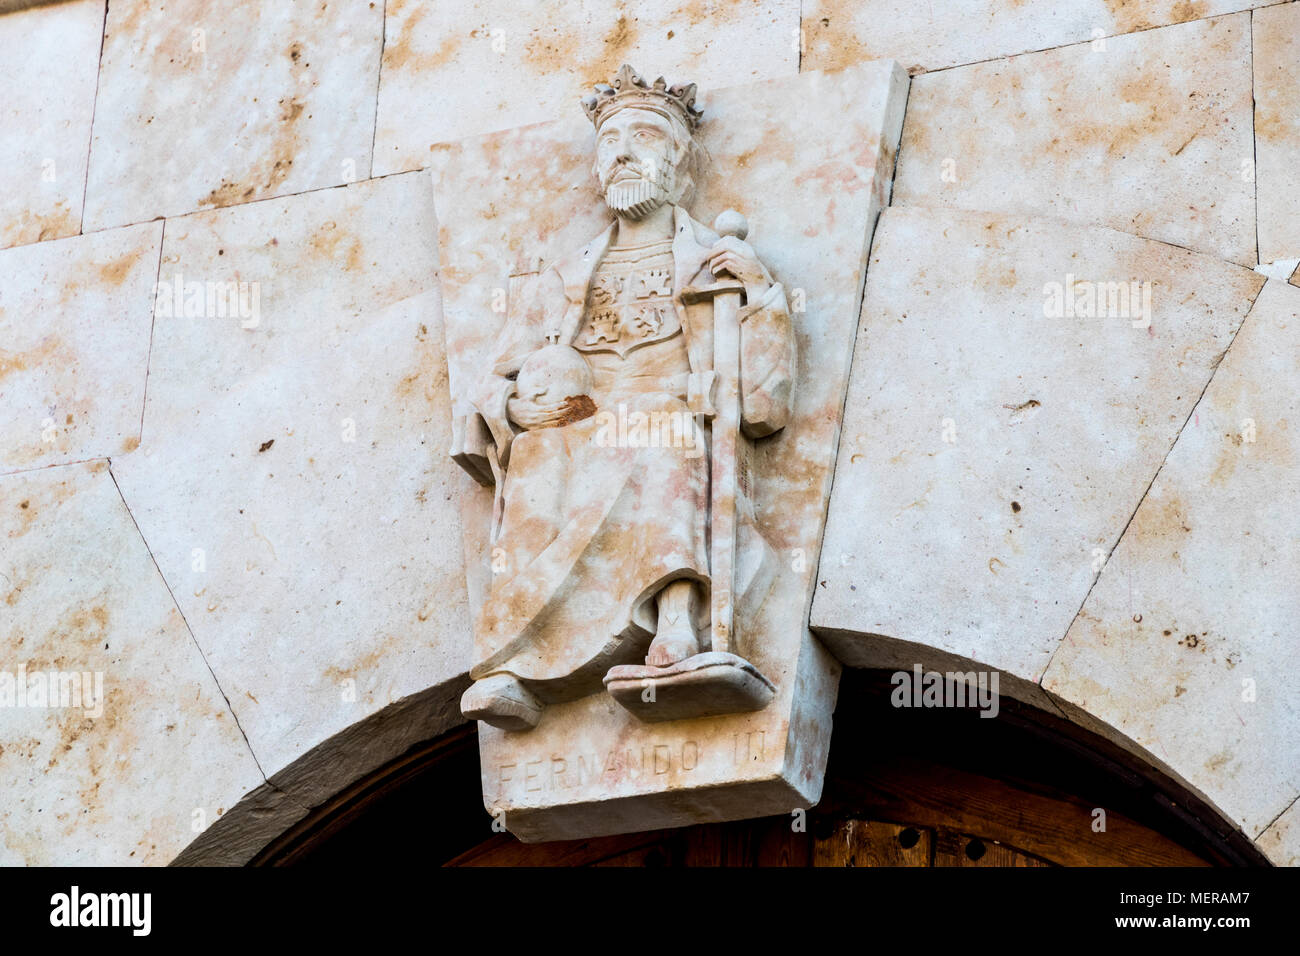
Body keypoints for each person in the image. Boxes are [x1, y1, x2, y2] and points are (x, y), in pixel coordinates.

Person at [455, 65, 795, 731]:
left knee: (664, 430)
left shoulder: (711, 259)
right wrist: (514, 412)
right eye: (608, 141)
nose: (623, 153)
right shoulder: (563, 277)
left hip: (671, 412)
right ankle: (515, 659)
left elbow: (761, 402)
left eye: (644, 134)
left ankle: (676, 625)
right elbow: (493, 384)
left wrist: (761, 295)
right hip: (572, 426)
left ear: (679, 158)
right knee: (539, 455)